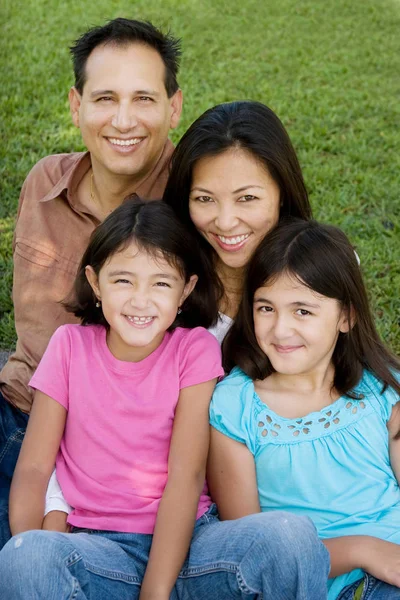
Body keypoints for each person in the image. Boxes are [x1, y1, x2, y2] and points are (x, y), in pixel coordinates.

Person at [0, 200, 330, 600]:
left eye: (160, 283)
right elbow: (34, 467)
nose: (141, 300)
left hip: (193, 544)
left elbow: (186, 476)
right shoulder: (69, 346)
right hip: (99, 550)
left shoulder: (193, 350)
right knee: (24, 557)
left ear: (185, 290)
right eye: (123, 281)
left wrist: (155, 593)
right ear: (95, 282)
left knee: (291, 538)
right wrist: (32, 545)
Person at [0, 17, 183, 548]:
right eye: (105, 98)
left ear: (173, 106)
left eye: (144, 98)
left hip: (120, 454)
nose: (123, 120)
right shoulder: (43, 183)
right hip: (22, 415)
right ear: (76, 105)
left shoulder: (192, 203)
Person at [208, 219, 400, 600]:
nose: (280, 330)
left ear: (346, 316)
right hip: (320, 583)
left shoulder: (382, 387)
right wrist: (363, 550)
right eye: (267, 307)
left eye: (303, 311)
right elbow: (258, 552)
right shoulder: (235, 407)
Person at [163, 100, 311, 342]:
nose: (225, 222)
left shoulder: (325, 271)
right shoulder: (160, 277)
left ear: (283, 192)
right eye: (204, 198)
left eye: (247, 197)